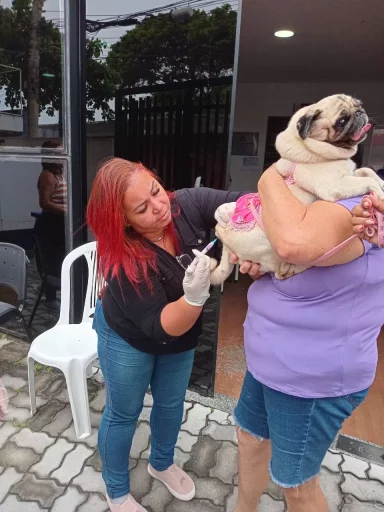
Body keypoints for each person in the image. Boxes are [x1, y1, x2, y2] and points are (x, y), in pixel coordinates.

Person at [215, 165, 384, 512]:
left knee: (295, 484)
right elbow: (285, 253)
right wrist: (261, 261)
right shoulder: (321, 199)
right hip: (267, 365)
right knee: (249, 437)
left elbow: (293, 243)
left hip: (308, 380)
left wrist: (272, 175)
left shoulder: (367, 211)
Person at [86, 158, 244, 512]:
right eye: (142, 209)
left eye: (156, 191)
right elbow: (162, 327)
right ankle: (116, 490)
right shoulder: (124, 258)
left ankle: (161, 462)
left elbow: (250, 202)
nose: (160, 208)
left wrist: (246, 221)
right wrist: (194, 296)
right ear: (123, 220)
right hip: (127, 337)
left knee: (171, 403)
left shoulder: (187, 203)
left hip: (180, 336)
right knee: (124, 413)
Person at [34, 140, 67, 305]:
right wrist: (67, 210)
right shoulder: (47, 175)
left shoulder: (59, 174)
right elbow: (44, 203)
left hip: (60, 223)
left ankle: (52, 291)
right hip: (51, 224)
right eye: (59, 152)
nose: (62, 154)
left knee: (59, 257)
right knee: (52, 259)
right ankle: (50, 298)